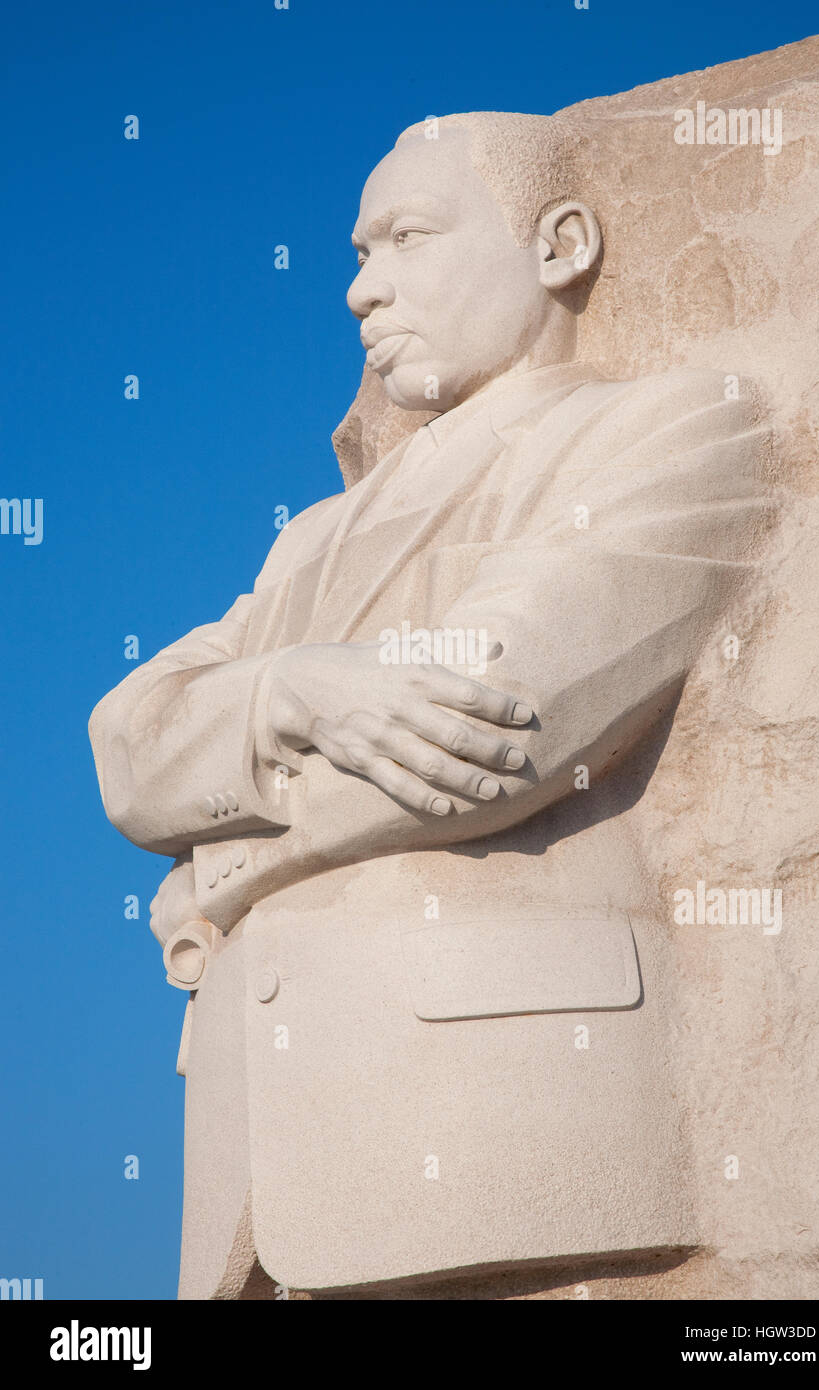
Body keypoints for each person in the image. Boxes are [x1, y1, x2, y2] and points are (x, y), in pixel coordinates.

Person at [89, 111, 773, 1299]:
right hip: (255, 1193)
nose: (361, 290)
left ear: (558, 247)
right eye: (356, 255)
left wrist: (212, 865)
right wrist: (292, 685)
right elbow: (126, 741)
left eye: (403, 238)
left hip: (511, 1134)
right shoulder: (309, 538)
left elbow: (491, 725)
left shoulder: (668, 424)